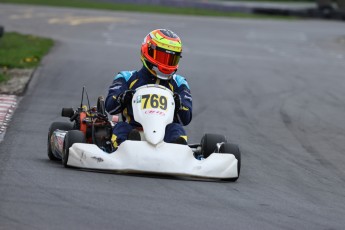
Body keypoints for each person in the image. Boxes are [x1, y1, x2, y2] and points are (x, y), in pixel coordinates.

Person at [105, 29, 192, 150]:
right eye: (162, 57)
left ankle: (176, 151)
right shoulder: (126, 78)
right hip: (133, 131)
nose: (166, 63)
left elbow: (186, 118)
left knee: (176, 129)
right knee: (121, 127)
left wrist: (179, 105)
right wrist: (122, 98)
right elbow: (109, 106)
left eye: (171, 59)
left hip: (164, 136)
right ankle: (124, 148)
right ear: (148, 51)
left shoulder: (179, 83)